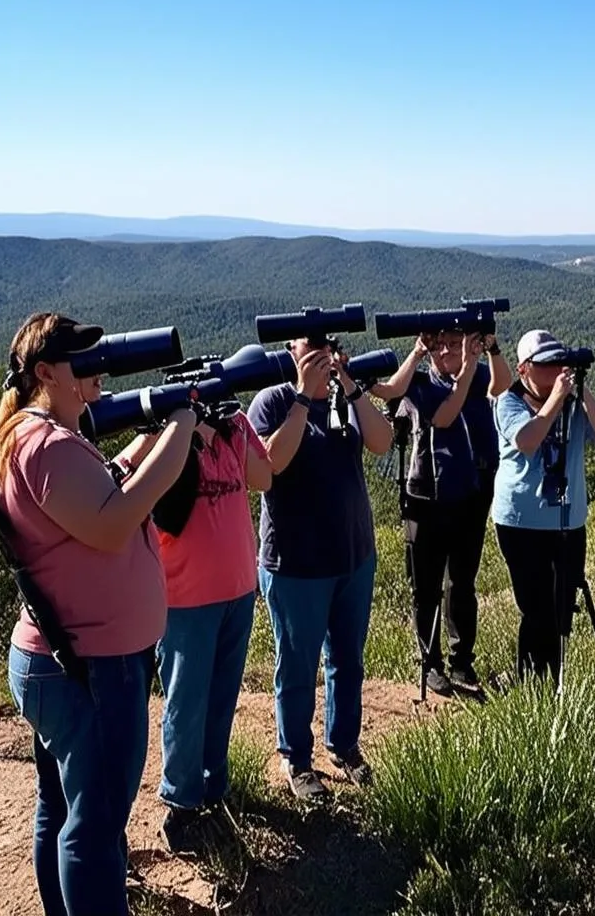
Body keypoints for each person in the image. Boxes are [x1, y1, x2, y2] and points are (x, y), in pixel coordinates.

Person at [0, 313, 195, 916]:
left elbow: (98, 490)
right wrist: (180, 428)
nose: (97, 368)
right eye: (82, 359)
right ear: (45, 373)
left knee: (63, 807)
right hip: (89, 667)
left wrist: (146, 441)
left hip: (65, 660)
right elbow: (111, 520)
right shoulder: (44, 444)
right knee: (97, 827)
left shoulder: (34, 437)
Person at [116, 407, 272, 851]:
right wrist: (178, 431)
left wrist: (235, 424)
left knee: (222, 700)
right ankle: (181, 807)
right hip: (184, 599)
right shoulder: (170, 432)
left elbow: (265, 478)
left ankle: (213, 788)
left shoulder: (235, 426)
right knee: (186, 707)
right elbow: (123, 481)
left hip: (239, 588)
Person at [248, 336, 393, 800]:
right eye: (308, 346)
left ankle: (345, 744)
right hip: (295, 563)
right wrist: (302, 396)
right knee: (297, 664)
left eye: (326, 345)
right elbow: (270, 464)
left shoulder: (343, 396)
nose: (319, 355)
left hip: (353, 554)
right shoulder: (271, 401)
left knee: (348, 658)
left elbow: (382, 441)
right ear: (290, 350)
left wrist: (349, 385)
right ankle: (297, 757)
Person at [371, 330, 511, 695]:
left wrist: (491, 350)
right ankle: (430, 662)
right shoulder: (419, 384)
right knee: (427, 586)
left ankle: (461, 660)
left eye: (455, 341)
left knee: (462, 582)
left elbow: (503, 384)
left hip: (471, 492)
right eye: (440, 344)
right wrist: (424, 355)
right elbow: (441, 414)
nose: (448, 350)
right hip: (427, 496)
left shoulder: (477, 373)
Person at [491, 329, 595, 683]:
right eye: (546, 366)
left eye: (560, 363)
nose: (556, 371)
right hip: (520, 523)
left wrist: (581, 389)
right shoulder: (508, 401)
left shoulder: (573, 403)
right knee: (535, 608)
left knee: (562, 610)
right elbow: (528, 440)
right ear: (523, 369)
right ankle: (531, 683)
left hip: (568, 522)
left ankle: (554, 679)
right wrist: (558, 397)